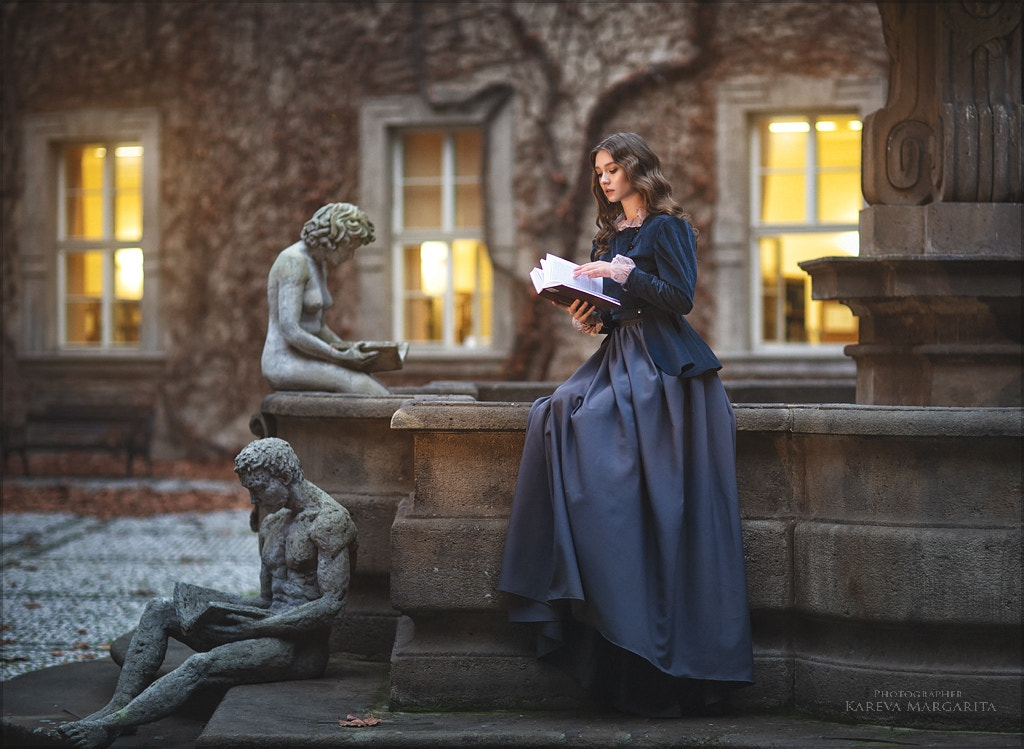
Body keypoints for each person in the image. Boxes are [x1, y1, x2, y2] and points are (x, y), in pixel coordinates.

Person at [497, 132, 754, 717]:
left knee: (588, 425)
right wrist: (590, 312)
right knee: (557, 410)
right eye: (601, 172)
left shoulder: (668, 227)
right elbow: (620, 316)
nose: (606, 179)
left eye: (614, 168)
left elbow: (679, 298)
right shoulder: (612, 235)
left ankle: (661, 653)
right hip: (622, 354)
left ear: (638, 169)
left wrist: (619, 273)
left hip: (664, 366)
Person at [48, 437, 356, 749]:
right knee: (160, 609)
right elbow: (266, 600)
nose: (253, 500)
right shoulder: (273, 523)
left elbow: (332, 605)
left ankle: (110, 725)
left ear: (285, 477)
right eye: (249, 490)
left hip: (298, 648)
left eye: (259, 488)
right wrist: (216, 605)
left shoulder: (329, 521)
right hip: (263, 623)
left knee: (199, 666)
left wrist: (258, 626)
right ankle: (115, 711)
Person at [261, 202, 391, 395]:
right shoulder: (293, 261)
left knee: (374, 386)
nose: (351, 255)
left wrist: (348, 349)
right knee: (364, 388)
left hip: (307, 357)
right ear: (333, 238)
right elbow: (290, 329)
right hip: (284, 360)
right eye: (350, 247)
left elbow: (319, 328)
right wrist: (339, 356)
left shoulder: (318, 263)